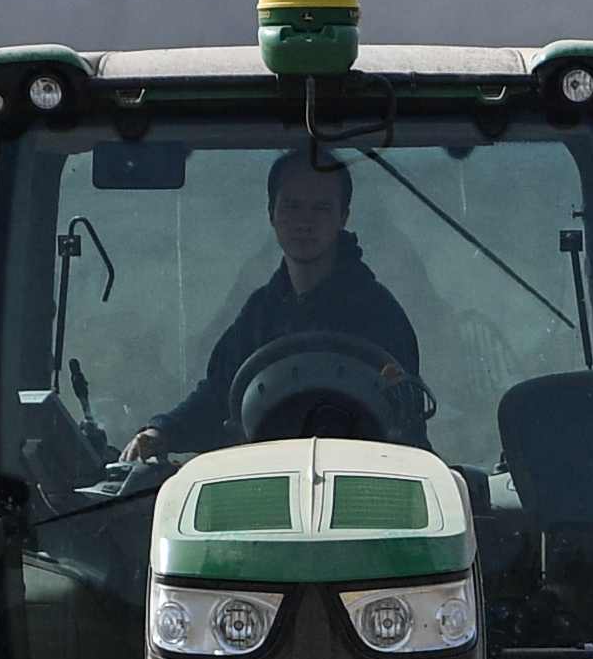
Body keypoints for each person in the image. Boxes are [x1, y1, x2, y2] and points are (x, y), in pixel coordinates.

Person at [125, 151, 428, 457]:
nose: (304, 222)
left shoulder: (380, 316)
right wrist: (162, 431)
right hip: (265, 484)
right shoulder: (259, 314)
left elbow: (405, 426)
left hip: (362, 485)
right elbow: (219, 396)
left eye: (320, 208)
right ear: (272, 213)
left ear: (343, 217)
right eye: (292, 206)